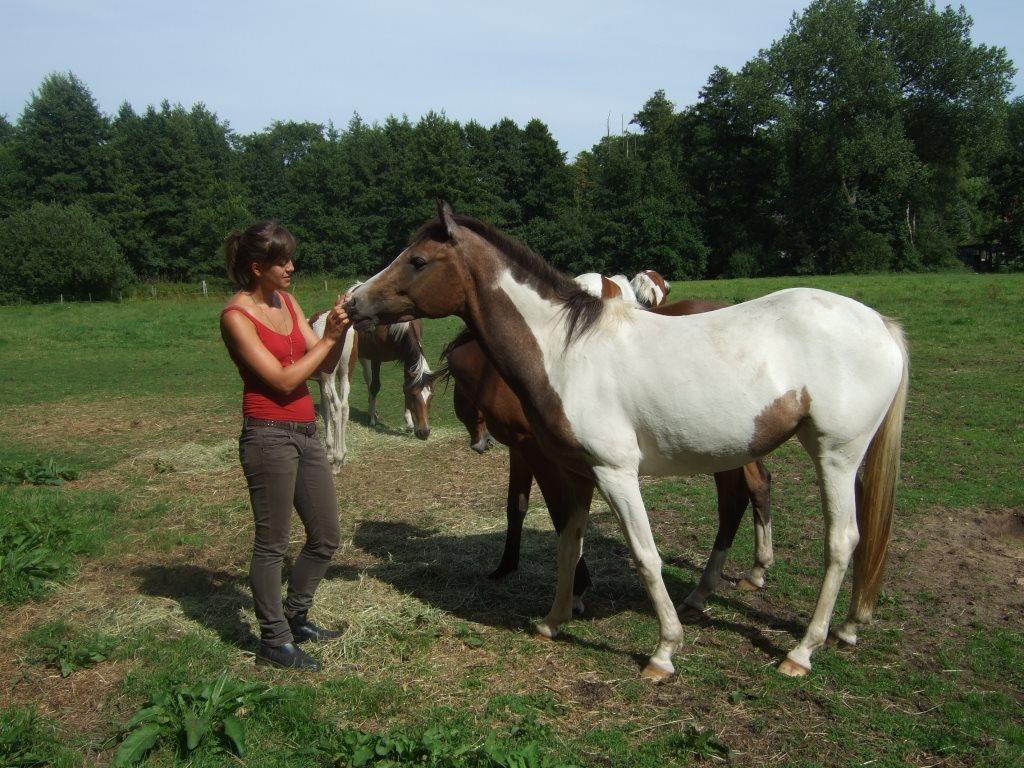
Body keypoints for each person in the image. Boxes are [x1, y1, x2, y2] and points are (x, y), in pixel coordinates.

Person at [220, 220, 350, 671]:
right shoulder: (237, 317)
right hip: (268, 436)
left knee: (326, 534)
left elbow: (321, 368)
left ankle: (295, 616)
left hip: (305, 432)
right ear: (257, 267)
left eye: (291, 258)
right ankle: (274, 641)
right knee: (273, 543)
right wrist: (329, 339)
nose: (292, 267)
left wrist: (337, 331)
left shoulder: (288, 302)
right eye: (282, 261)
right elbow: (281, 379)